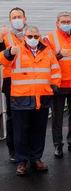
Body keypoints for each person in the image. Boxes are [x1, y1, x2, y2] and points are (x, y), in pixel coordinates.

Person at [0, 25, 61, 176]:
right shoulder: (17, 49)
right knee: (20, 132)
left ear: (39, 36)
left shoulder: (47, 51)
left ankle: (36, 159)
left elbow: (55, 69)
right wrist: (8, 52)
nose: (33, 39)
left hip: (42, 97)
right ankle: (22, 161)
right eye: (30, 36)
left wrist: (54, 86)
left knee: (38, 130)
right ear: (25, 37)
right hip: (21, 98)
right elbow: (3, 60)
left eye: (35, 36)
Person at [45, 12, 71, 158]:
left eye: (68, 21)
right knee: (57, 117)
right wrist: (59, 55)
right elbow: (46, 60)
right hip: (58, 82)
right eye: (63, 21)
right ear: (57, 23)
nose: (66, 23)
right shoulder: (50, 37)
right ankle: (58, 145)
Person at [0, 7, 28, 163]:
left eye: (19, 16)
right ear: (10, 20)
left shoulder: (31, 34)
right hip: (11, 82)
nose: (17, 19)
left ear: (25, 18)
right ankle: (13, 150)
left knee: (28, 117)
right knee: (12, 118)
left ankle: (28, 149)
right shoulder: (5, 37)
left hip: (30, 82)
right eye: (14, 17)